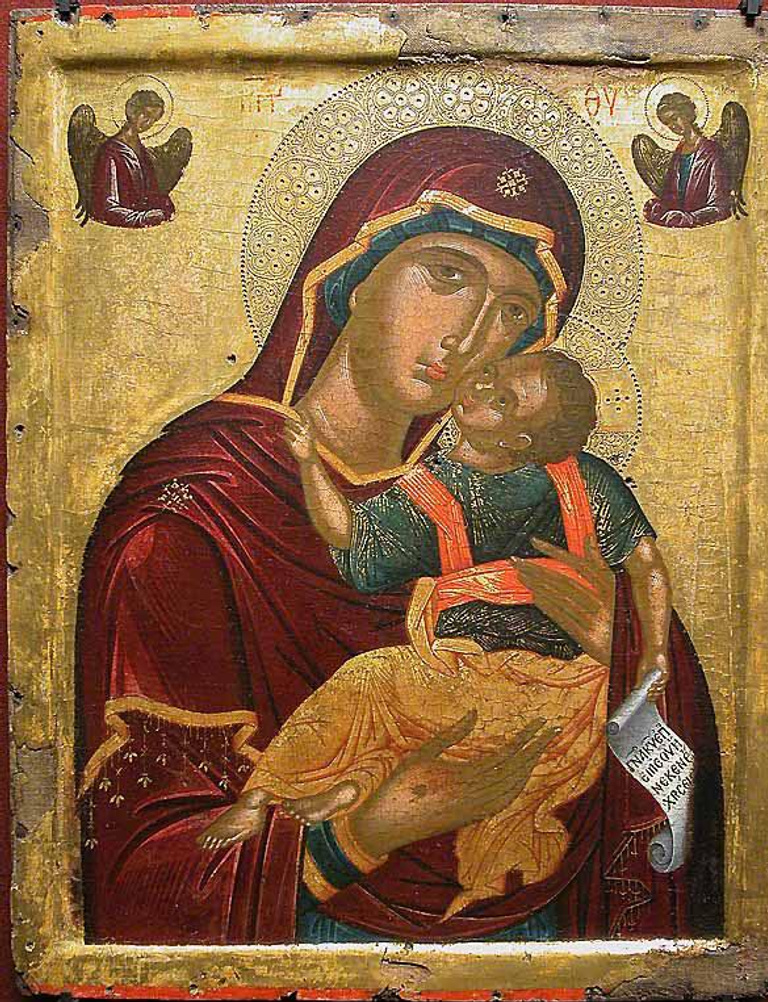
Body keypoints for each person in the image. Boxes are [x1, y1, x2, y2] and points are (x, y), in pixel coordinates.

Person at [77, 128, 723, 944]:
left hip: (534, 920)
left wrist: (616, 642)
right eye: (447, 275)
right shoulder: (194, 509)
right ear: (351, 270)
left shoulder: (531, 502)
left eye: (512, 312)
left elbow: (669, 780)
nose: (469, 336)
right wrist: (366, 830)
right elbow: (136, 864)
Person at [197, 351, 675, 922]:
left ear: (521, 441)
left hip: (558, 685)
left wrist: (654, 650)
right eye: (492, 374)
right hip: (459, 668)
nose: (481, 388)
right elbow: (352, 538)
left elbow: (646, 563)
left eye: (503, 401)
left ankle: (347, 790)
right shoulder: (430, 491)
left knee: (453, 735)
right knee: (368, 679)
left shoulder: (585, 483)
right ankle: (268, 796)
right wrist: (309, 465)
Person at [644, 92, 732, 229]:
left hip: (705, 228)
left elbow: (720, 206)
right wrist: (659, 206)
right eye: (667, 123)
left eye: (674, 118)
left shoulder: (712, 151)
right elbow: (671, 197)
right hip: (678, 227)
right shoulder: (678, 154)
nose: (672, 126)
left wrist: (691, 218)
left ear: (687, 113)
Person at [91, 89, 175, 228]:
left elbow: (153, 193)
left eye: (154, 120)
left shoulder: (145, 154)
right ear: (132, 110)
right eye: (146, 115)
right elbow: (107, 207)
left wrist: (164, 206)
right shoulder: (110, 151)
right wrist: (141, 218)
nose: (148, 122)